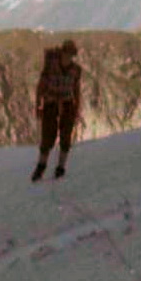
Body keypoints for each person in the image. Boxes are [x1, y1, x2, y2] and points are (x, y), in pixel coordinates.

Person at [32, 39, 83, 181]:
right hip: (51, 103)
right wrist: (38, 105)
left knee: (66, 136)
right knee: (47, 136)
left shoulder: (75, 71)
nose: (68, 56)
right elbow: (41, 87)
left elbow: (76, 90)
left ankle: (60, 167)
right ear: (62, 52)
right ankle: (41, 166)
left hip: (67, 104)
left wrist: (77, 107)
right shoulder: (51, 67)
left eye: (70, 54)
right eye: (67, 53)